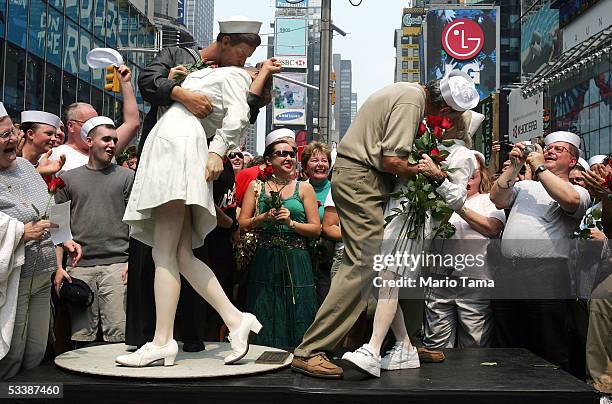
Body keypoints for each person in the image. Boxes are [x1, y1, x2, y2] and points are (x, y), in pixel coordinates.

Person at [290, 71, 480, 378]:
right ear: (445, 110)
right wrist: (428, 171)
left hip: (362, 179)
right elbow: (393, 161)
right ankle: (312, 349)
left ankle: (402, 342)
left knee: (375, 266)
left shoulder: (407, 93)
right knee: (366, 263)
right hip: (362, 178)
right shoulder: (411, 102)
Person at [118, 58, 280, 365]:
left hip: (177, 149)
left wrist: (217, 150)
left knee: (164, 252)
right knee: (180, 255)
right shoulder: (220, 75)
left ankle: (162, 341)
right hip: (178, 148)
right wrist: (176, 77)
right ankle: (235, 320)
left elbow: (240, 114)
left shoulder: (233, 75)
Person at [342, 110, 483, 377]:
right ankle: (404, 345)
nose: (443, 123)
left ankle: (373, 348)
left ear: (459, 127)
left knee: (387, 277)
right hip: (396, 214)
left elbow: (457, 199)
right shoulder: (423, 144)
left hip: (418, 220)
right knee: (381, 279)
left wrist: (437, 176)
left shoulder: (463, 156)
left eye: (451, 120)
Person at [490, 131, 591, 371]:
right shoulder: (526, 186)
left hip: (545, 274)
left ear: (573, 161)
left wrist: (538, 167)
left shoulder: (579, 191)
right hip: (508, 271)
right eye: (549, 148)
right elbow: (497, 198)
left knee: (549, 343)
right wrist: (514, 166)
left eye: (559, 149)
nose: (551, 151)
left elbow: (570, 200)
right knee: (508, 343)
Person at [0, 103, 82, 379]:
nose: (11, 139)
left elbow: (47, 209)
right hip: (14, 278)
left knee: (37, 348)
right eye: (3, 136)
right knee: (12, 350)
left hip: (43, 273)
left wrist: (65, 238)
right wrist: (21, 232)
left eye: (12, 132)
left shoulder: (25, 166)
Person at [54, 117, 134, 346]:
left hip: (118, 266)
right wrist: (59, 268)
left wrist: (132, 261)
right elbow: (58, 227)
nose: (111, 144)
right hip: (79, 268)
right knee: (81, 338)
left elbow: (136, 224)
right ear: (89, 141)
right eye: (106, 139)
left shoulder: (127, 177)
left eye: (115, 140)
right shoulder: (67, 179)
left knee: (118, 335)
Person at [239, 136, 321, 348]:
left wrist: (291, 223)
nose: (288, 157)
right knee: (265, 306)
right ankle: (264, 352)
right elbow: (243, 223)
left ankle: (300, 354)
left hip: (297, 257)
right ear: (268, 160)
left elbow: (316, 229)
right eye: (282, 153)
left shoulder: (304, 188)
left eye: (291, 154)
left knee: (298, 305)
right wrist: (264, 218)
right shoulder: (257, 187)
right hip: (265, 256)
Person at [422, 151, 504, 350]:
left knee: (474, 342)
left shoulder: (489, 200)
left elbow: (492, 227)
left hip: (475, 279)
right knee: (436, 341)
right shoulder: (436, 201)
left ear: (479, 174)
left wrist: (456, 204)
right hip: (440, 279)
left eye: (471, 171)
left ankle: (471, 380)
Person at [50, 66, 138, 177]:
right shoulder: (56, 154)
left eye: (97, 123)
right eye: (88, 123)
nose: (95, 127)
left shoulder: (106, 147)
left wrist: (125, 83)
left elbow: (132, 123)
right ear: (71, 126)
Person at [300, 142, 333, 304]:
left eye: (324, 160)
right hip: (302, 255)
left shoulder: (337, 190)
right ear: (305, 167)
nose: (320, 164)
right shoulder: (298, 189)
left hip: (328, 258)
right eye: (314, 160)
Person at [235, 129, 296, 208]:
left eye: (293, 152)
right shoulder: (248, 174)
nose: (289, 157)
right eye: (283, 153)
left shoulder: (294, 181)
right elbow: (236, 208)